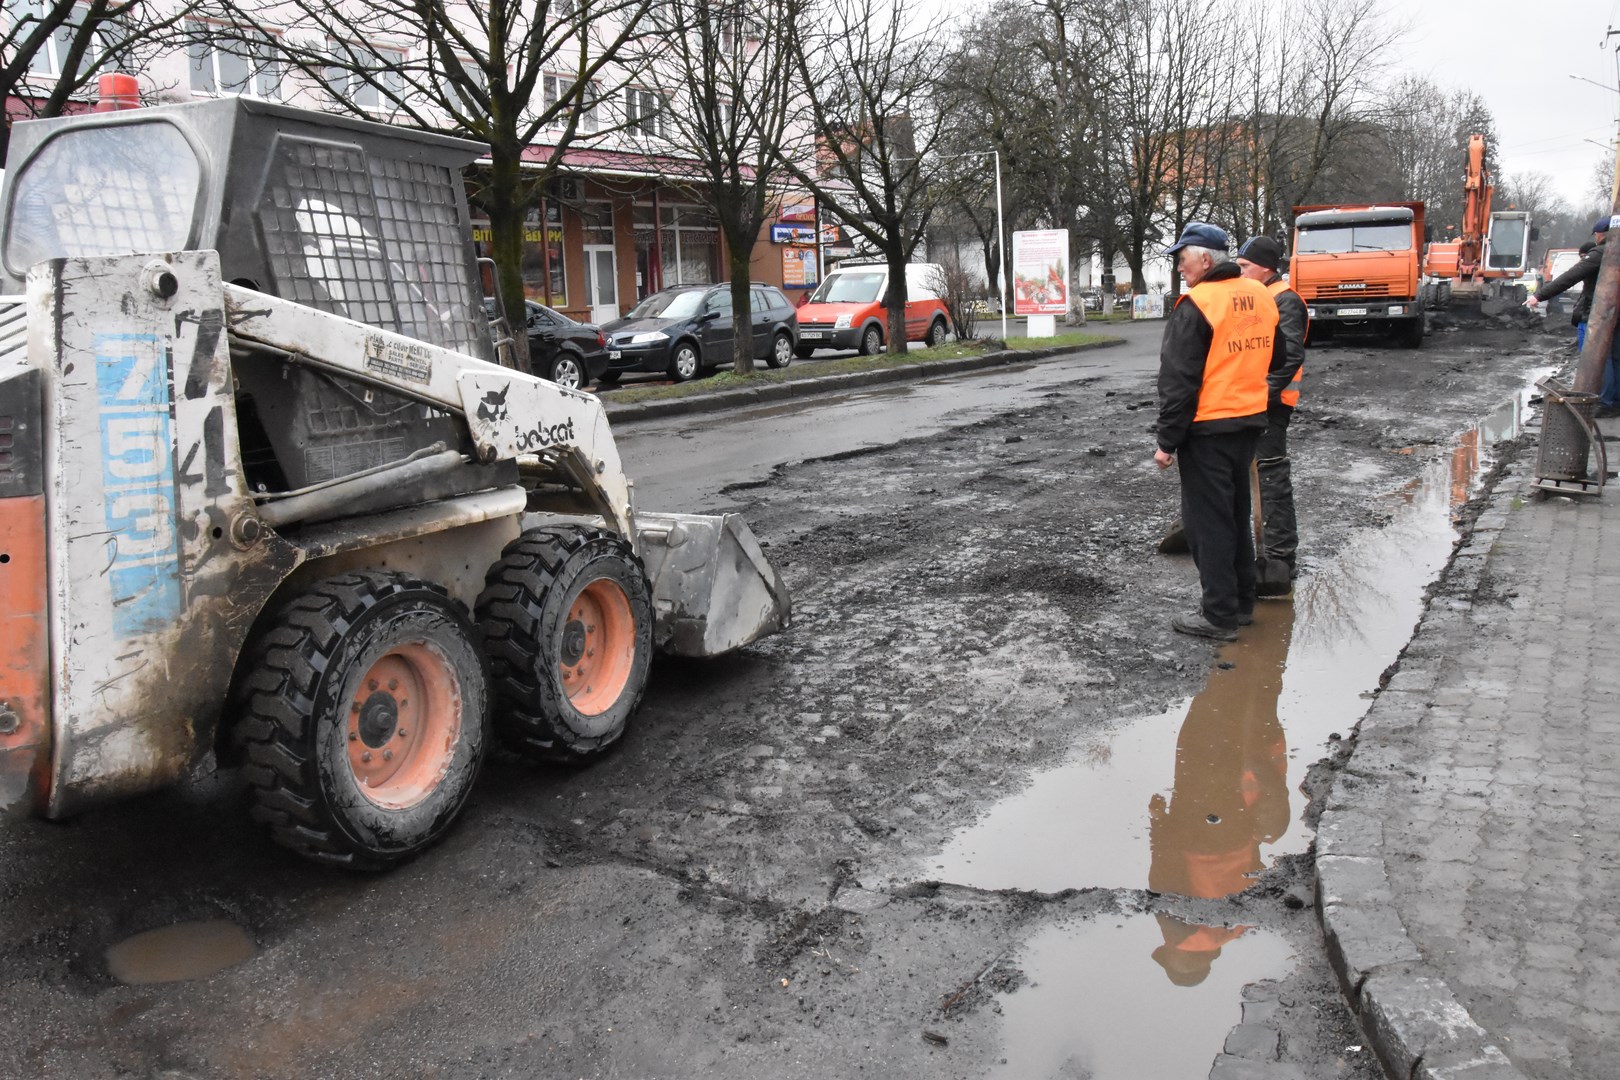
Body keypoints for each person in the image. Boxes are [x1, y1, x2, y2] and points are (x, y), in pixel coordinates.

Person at [1154, 222, 1283, 641]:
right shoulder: (1259, 295)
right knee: (1234, 513)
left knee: (1207, 523)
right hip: (1248, 423)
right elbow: (1277, 354)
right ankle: (1242, 603)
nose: (1180, 268)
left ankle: (1219, 615)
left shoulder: (1198, 303)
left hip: (1207, 429)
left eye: (1183, 259)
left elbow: (1179, 380)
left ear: (1205, 260)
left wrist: (1166, 441)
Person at [1234, 236, 1308, 588]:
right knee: (1255, 477)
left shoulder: (1285, 301)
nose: (1240, 271)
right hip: (1252, 401)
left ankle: (1280, 557)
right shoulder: (1258, 298)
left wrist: (1263, 398)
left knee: (1271, 478)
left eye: (1245, 266)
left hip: (1272, 406)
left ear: (1266, 267)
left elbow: (1290, 356)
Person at [1527, 219, 1618, 417]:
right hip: (1614, 314)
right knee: (1615, 357)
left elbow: (1570, 277)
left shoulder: (1602, 253)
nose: (1596, 237)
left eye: (1597, 233)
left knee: (1603, 358)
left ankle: (1604, 401)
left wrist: (1539, 295)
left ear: (1605, 233)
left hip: (1601, 314)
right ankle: (1614, 400)